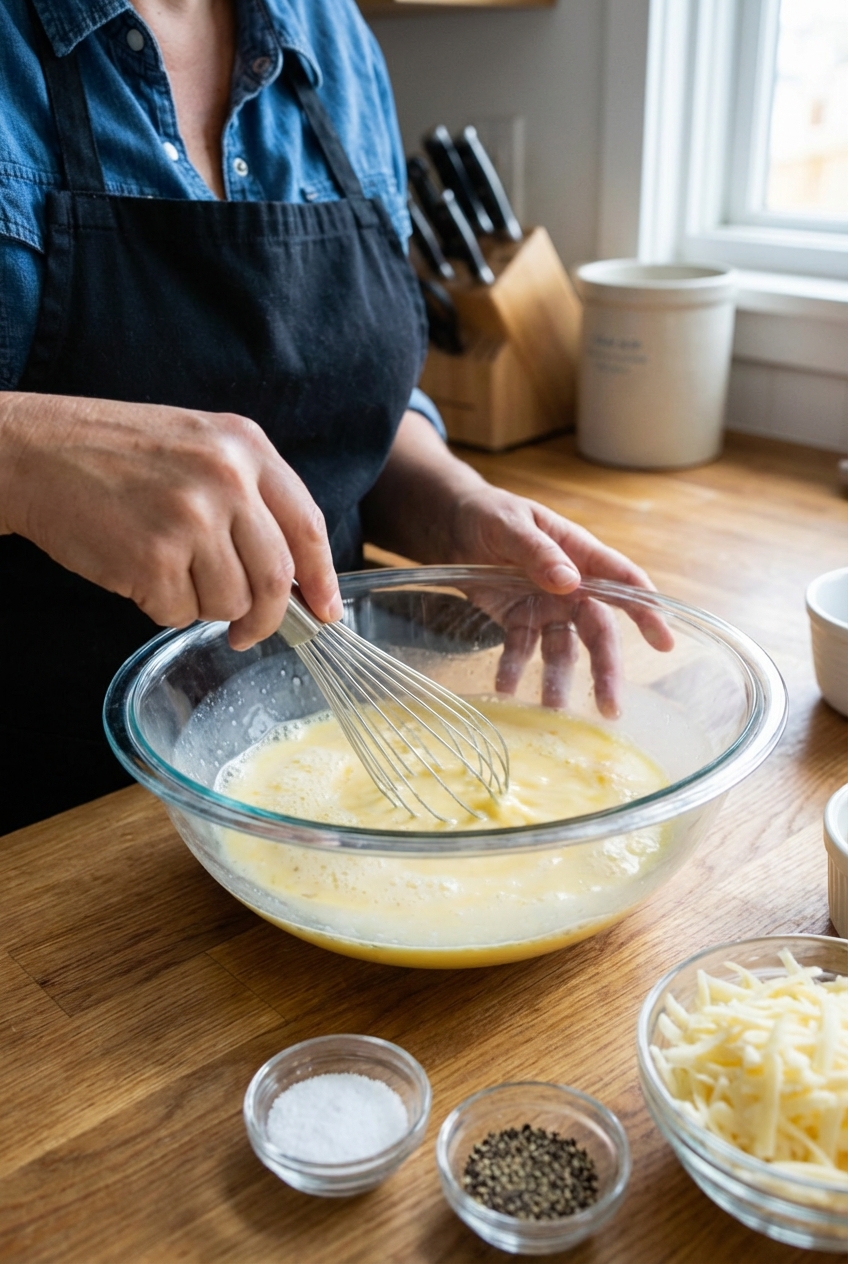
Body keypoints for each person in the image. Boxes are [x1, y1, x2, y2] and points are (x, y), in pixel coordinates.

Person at [0, 0, 670, 835]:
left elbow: (349, 413)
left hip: (309, 757)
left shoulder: (331, 34)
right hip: (35, 807)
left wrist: (456, 508)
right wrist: (22, 457)